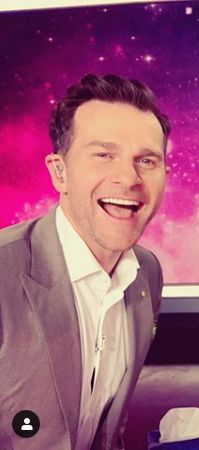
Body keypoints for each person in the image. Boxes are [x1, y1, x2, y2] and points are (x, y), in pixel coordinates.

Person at [0, 73, 170, 449]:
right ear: (59, 172)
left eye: (146, 160)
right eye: (104, 155)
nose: (128, 178)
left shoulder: (148, 273)